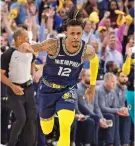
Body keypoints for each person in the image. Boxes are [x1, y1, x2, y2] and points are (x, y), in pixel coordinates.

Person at [18, 6, 99, 146]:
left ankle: (61, 113)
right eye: (72, 33)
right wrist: (25, 47)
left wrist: (92, 86)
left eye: (79, 34)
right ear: (66, 32)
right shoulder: (53, 45)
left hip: (67, 89)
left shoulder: (87, 50)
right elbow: (35, 47)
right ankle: (52, 113)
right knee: (46, 128)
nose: (75, 37)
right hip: (47, 89)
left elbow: (95, 61)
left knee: (66, 125)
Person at [1, 27, 37, 146]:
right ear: (19, 39)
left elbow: (32, 62)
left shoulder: (30, 50)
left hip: (29, 88)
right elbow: (1, 75)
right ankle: (11, 143)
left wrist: (33, 73)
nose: (29, 39)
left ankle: (28, 143)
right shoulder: (8, 54)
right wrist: (12, 86)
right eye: (27, 37)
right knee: (21, 119)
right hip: (14, 90)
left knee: (31, 118)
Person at [114, 69, 131, 146]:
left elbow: (128, 103)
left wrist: (129, 109)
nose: (125, 78)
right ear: (117, 77)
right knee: (124, 117)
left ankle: (126, 143)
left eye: (126, 76)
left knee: (130, 115)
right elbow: (114, 104)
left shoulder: (125, 88)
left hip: (122, 110)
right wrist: (123, 110)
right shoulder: (114, 88)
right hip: (114, 110)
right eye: (122, 76)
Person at [122, 47, 134, 124]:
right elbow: (125, 72)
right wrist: (129, 57)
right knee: (131, 113)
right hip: (131, 92)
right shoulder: (128, 65)